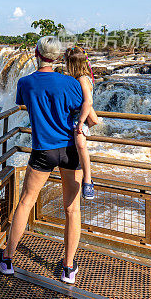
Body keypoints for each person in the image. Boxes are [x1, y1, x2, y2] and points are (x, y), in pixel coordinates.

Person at [0, 36, 94, 284]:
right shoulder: (71, 83)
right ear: (58, 57)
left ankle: (7, 260)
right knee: (72, 209)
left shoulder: (25, 82)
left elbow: (26, 104)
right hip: (70, 149)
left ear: (37, 54)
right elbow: (89, 115)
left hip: (42, 150)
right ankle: (68, 268)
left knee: (26, 202)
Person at [64, 45, 97, 200]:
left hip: (79, 118)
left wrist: (81, 123)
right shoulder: (80, 78)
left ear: (72, 65)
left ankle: (88, 180)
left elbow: (88, 102)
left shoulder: (83, 79)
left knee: (81, 143)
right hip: (76, 116)